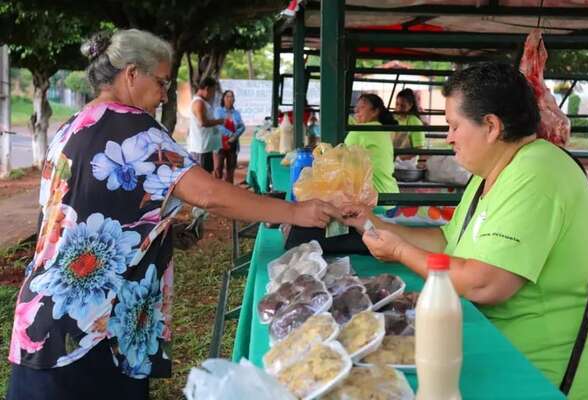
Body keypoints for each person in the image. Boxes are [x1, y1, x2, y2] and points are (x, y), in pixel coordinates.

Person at [6, 29, 341, 400]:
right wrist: (295, 211)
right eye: (162, 82)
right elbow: (210, 195)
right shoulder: (135, 129)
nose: (165, 94)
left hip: (44, 315)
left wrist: (160, 228)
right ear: (132, 73)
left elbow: (75, 211)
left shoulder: (75, 124)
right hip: (93, 327)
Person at [344, 62, 588, 399]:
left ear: (491, 126)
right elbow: (450, 240)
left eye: (453, 125)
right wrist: (372, 222)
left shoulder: (538, 173)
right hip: (495, 346)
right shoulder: (492, 171)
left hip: (538, 375)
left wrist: (399, 250)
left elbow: (485, 282)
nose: (448, 136)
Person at [345, 93, 399, 194]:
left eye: (362, 107)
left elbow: (341, 162)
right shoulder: (383, 131)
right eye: (356, 107)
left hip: (375, 202)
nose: (356, 110)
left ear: (375, 112)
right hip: (392, 195)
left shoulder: (359, 131)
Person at [187, 77, 223, 173]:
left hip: (206, 147)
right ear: (207, 88)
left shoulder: (203, 102)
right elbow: (203, 122)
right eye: (212, 91)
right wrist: (219, 121)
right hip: (200, 148)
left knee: (207, 173)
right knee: (202, 177)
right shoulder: (199, 103)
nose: (213, 95)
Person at [214, 90, 245, 183]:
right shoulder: (218, 111)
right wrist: (231, 134)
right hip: (219, 143)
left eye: (232, 96)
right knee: (218, 168)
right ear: (223, 98)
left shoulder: (236, 113)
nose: (230, 98)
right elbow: (218, 126)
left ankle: (229, 190)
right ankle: (216, 189)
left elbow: (242, 126)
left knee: (230, 169)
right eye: (227, 96)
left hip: (233, 143)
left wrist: (235, 136)